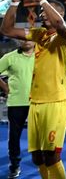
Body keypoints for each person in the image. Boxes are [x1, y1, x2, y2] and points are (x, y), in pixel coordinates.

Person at [0, 0, 66, 179]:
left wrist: (43, 1)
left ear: (57, 13)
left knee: (51, 155)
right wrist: (14, 3)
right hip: (35, 102)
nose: (42, 16)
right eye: (42, 13)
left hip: (57, 101)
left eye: (46, 13)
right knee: (37, 158)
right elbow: (6, 30)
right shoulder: (39, 34)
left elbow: (60, 25)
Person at [0, 39, 35, 179]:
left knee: (40, 136)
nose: (26, 40)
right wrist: (5, 88)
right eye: (22, 38)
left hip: (38, 102)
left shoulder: (42, 56)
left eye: (29, 37)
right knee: (14, 137)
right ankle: (14, 165)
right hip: (16, 103)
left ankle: (44, 162)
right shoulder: (9, 57)